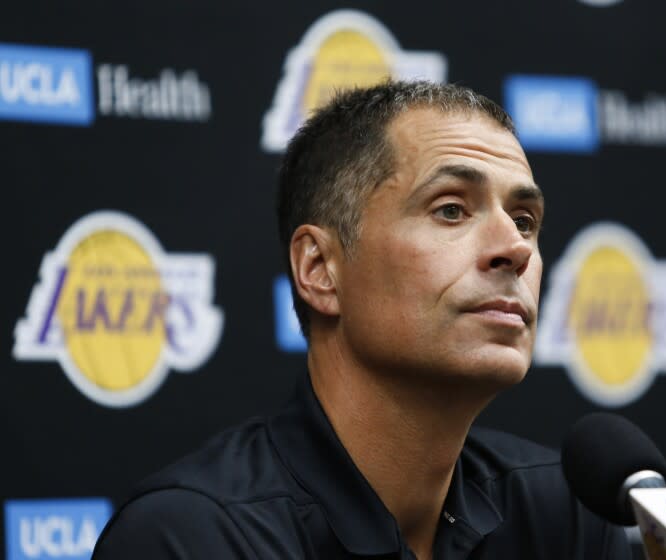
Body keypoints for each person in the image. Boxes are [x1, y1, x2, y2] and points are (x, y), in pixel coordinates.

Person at [93, 81, 631, 559]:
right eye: (451, 209)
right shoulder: (191, 538)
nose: (515, 248)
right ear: (320, 269)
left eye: (524, 219)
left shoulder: (569, 515)